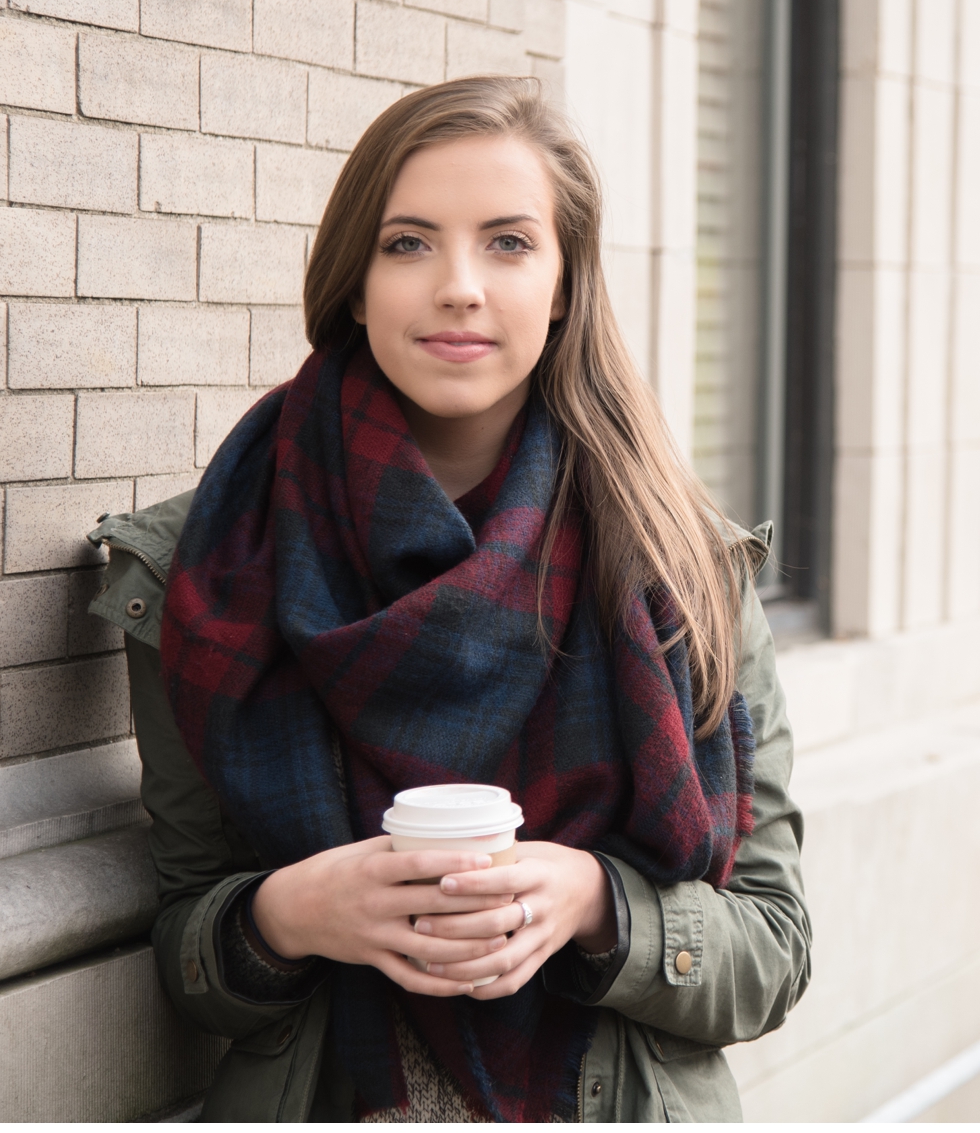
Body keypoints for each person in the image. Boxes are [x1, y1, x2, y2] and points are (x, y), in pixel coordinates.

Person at [86, 77, 810, 1121]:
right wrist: (288, 916)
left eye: (508, 243)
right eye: (409, 243)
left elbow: (775, 948)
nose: (459, 286)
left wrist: (597, 905)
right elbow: (191, 956)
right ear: (354, 280)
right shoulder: (208, 566)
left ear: (564, 283)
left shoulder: (677, 566)